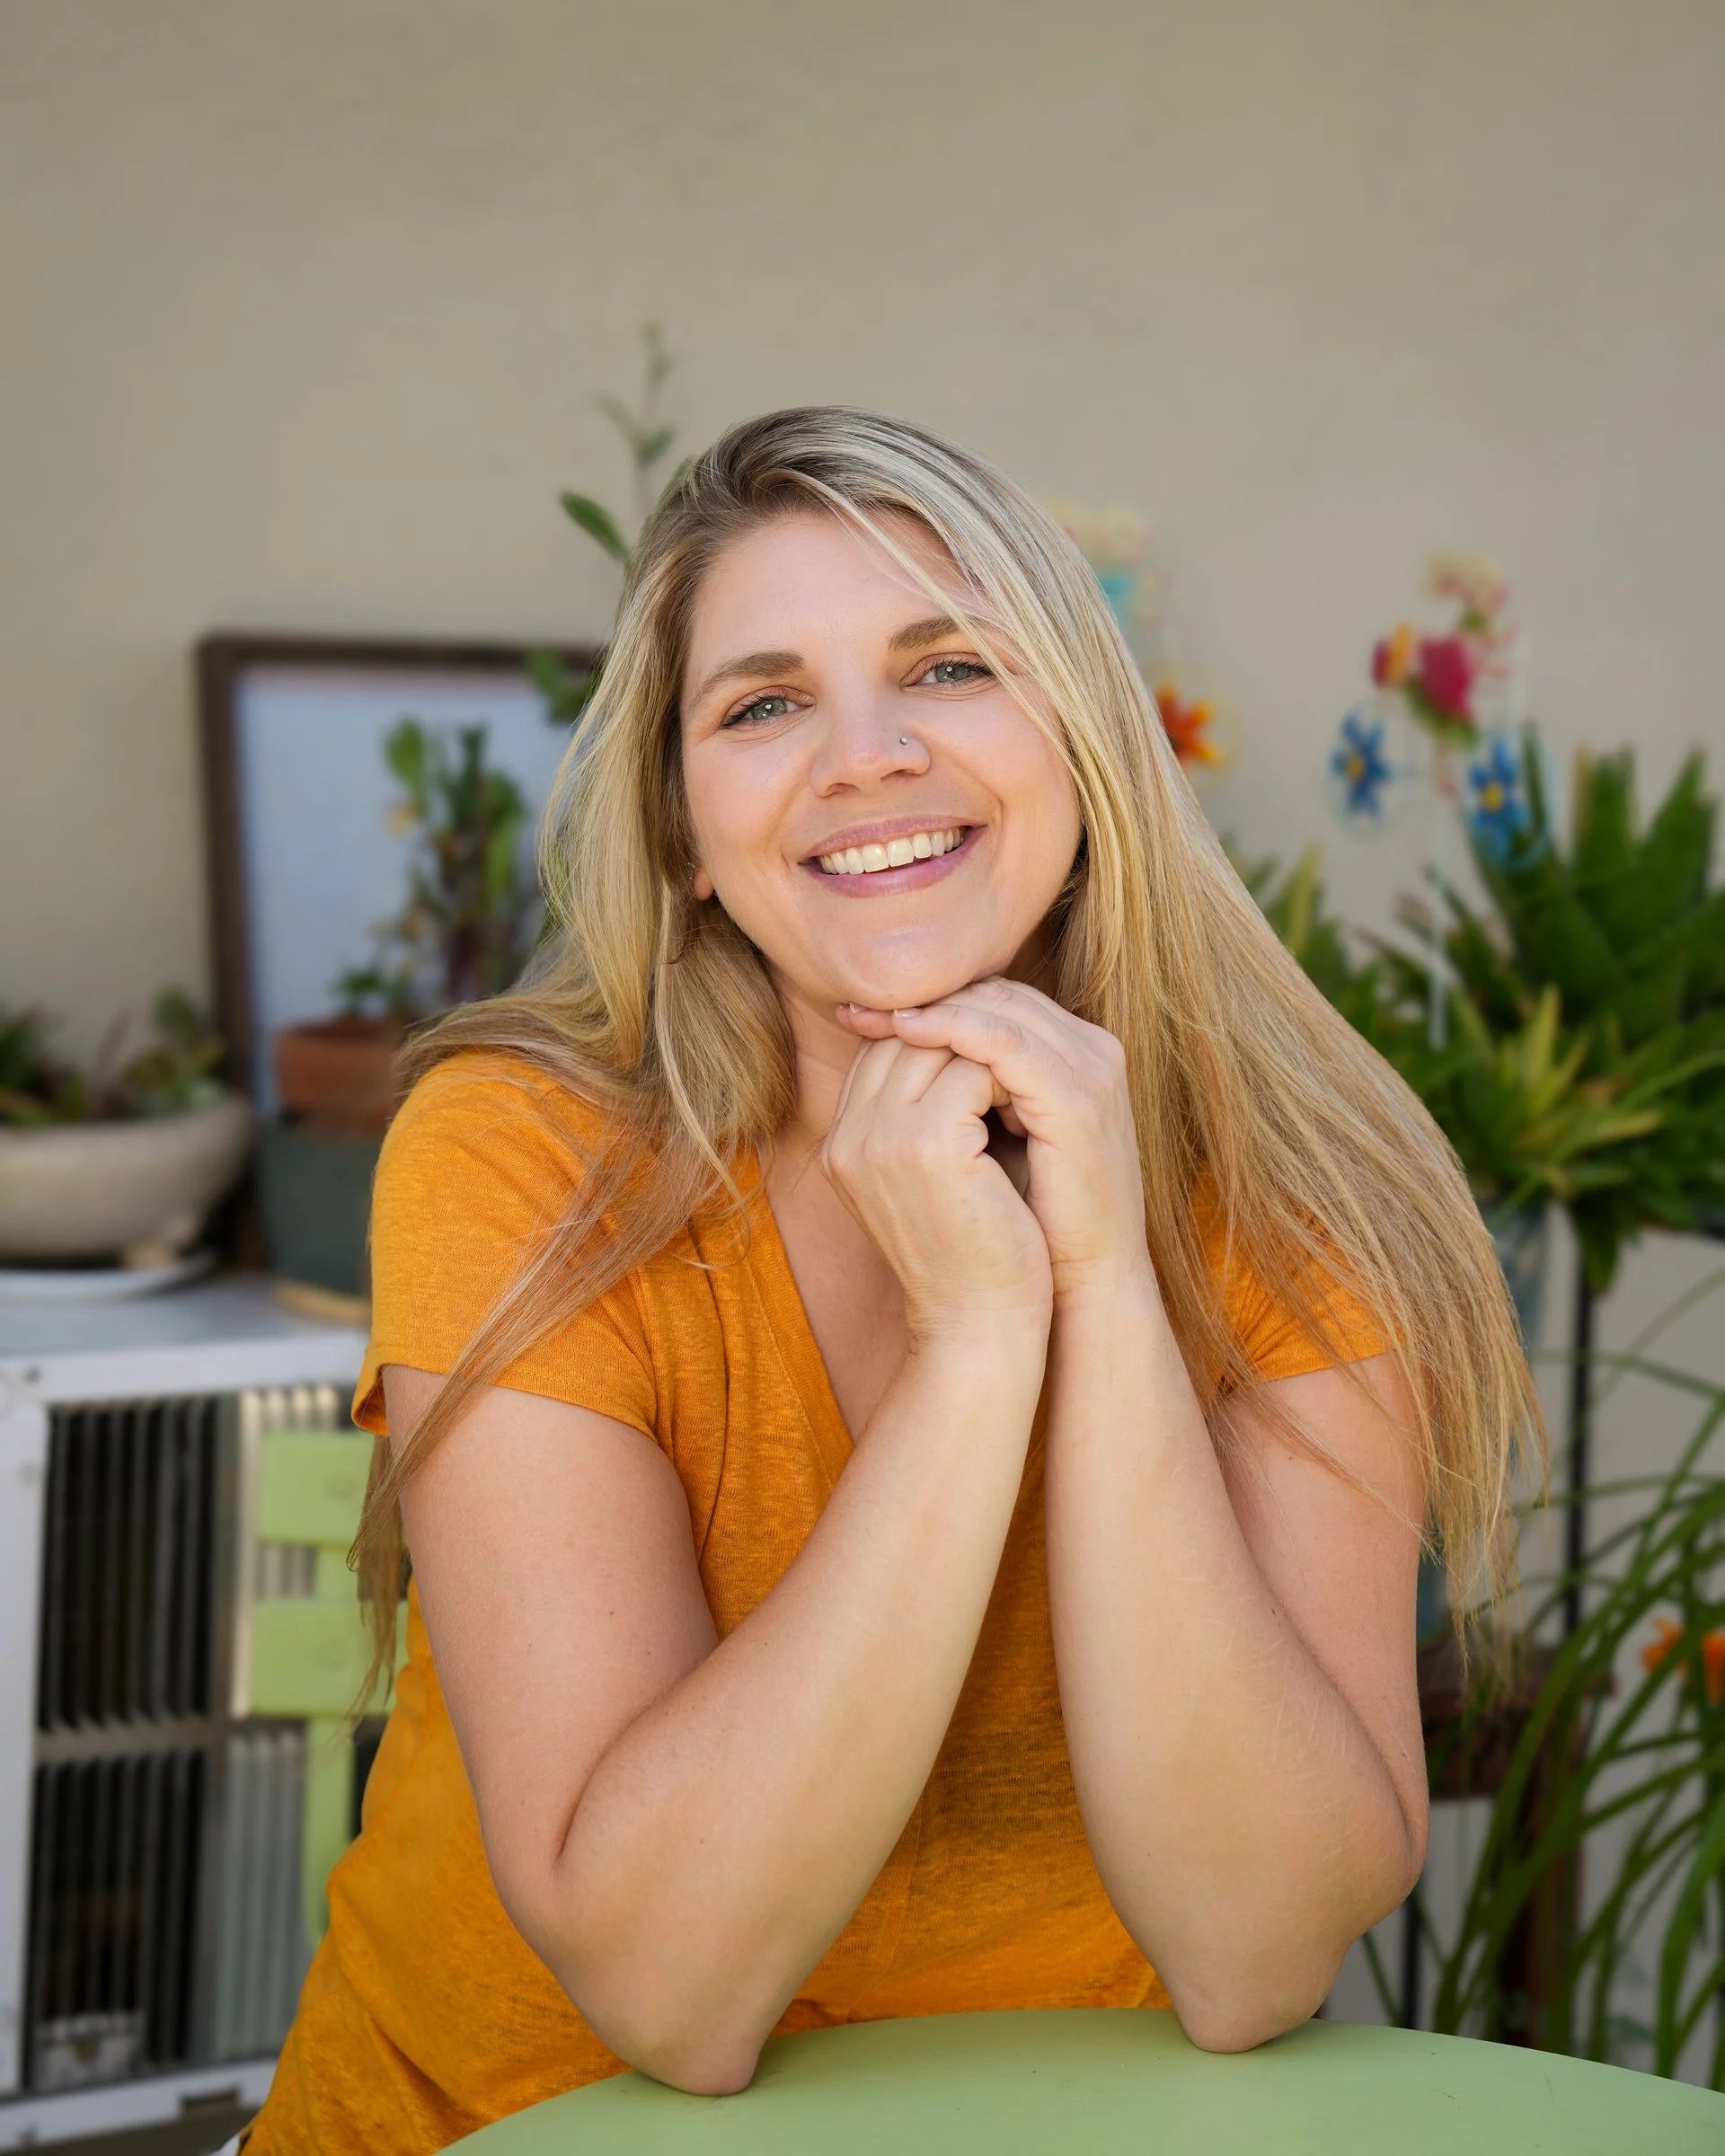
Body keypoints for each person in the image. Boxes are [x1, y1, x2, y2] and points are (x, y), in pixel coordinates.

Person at [234, 404, 1547, 2152]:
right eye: (764, 703)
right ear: (690, 831)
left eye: (948, 667)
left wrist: (1108, 1286)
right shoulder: (521, 1158)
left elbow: (1251, 1957)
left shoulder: (1300, 1188)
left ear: (1084, 744)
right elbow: (673, 1991)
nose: (865, 756)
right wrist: (983, 1341)